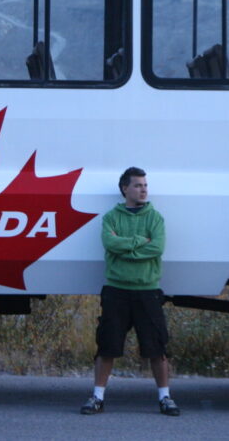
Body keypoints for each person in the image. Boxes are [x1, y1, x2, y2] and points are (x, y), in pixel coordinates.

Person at [81, 167, 180, 416]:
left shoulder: (154, 218)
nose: (144, 189)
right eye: (138, 185)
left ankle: (165, 398)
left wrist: (126, 247)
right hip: (116, 291)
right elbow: (109, 243)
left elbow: (156, 248)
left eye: (145, 185)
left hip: (147, 291)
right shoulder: (111, 217)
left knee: (157, 348)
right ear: (125, 188)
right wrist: (139, 242)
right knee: (107, 347)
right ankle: (97, 397)